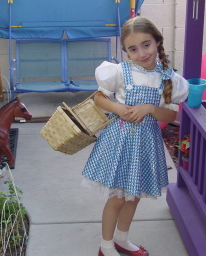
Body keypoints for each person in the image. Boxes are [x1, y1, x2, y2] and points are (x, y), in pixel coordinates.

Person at [82, 16, 189, 256]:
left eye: (146, 44)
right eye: (133, 49)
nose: (141, 52)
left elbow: (171, 117)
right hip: (119, 142)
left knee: (133, 196)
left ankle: (121, 239)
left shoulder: (168, 78)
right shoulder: (120, 71)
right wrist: (120, 109)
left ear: (157, 42)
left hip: (145, 145)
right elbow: (98, 98)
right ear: (126, 51)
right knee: (118, 197)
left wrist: (149, 109)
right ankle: (106, 246)